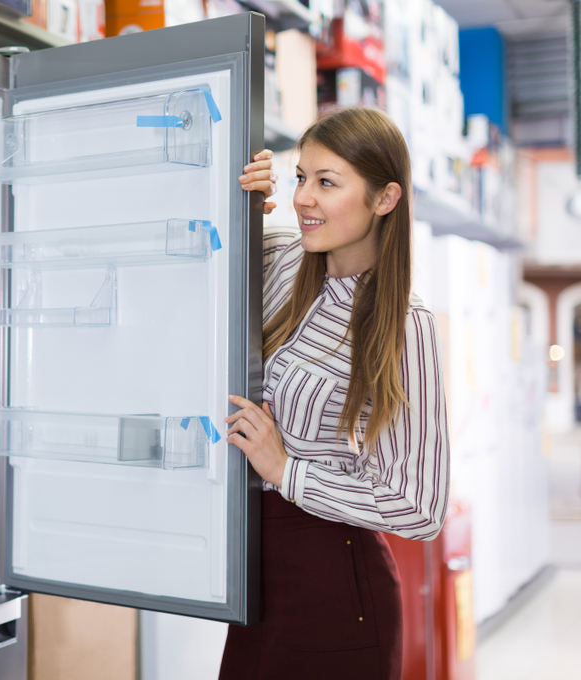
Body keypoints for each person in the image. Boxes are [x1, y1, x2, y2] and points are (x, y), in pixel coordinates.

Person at [219, 107, 450, 680]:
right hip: (252, 575)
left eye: (327, 182)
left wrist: (285, 469)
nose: (303, 198)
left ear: (384, 199)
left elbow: (421, 507)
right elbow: (193, 257)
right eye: (301, 177)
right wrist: (231, 191)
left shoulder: (405, 325)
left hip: (336, 585)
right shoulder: (279, 258)